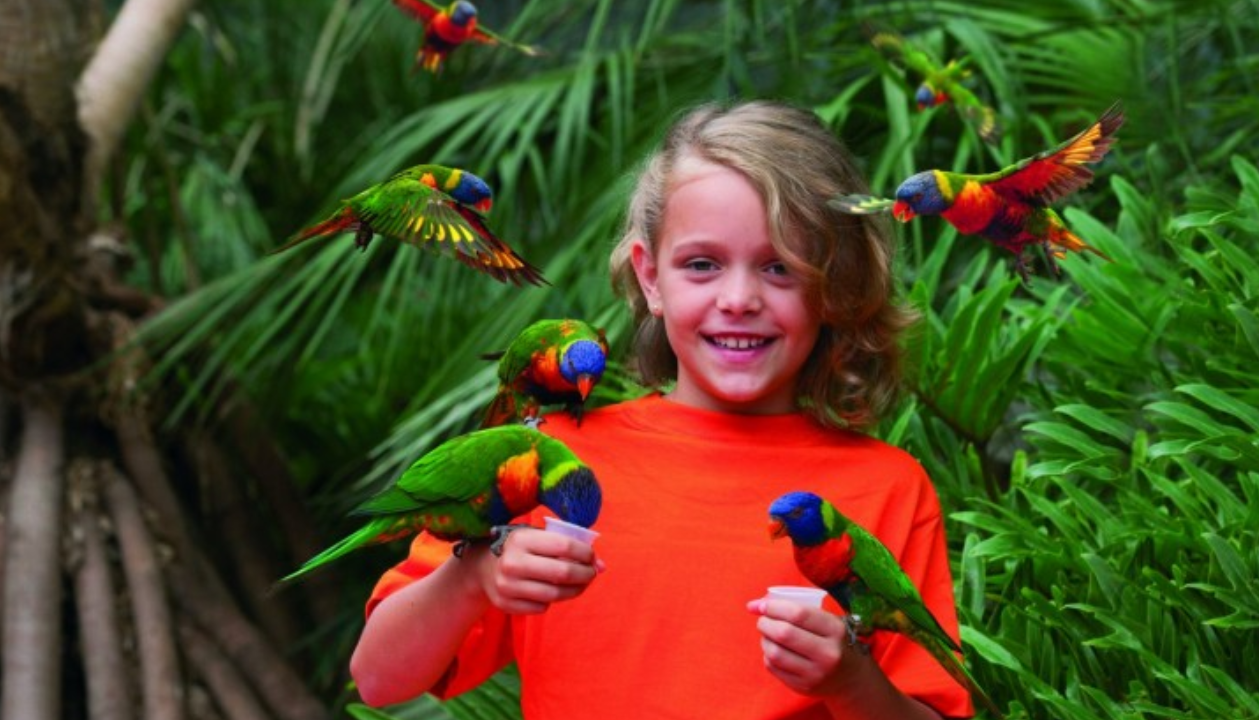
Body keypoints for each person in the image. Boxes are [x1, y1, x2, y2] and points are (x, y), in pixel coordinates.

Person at [349, 100, 975, 720]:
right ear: (650, 278)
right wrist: (472, 577)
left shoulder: (885, 488)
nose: (738, 298)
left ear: (833, 283)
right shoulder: (543, 461)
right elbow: (379, 678)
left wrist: (849, 680)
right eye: (702, 265)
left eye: (780, 267)